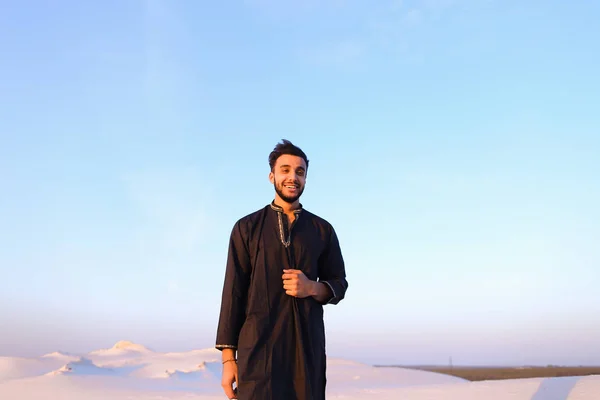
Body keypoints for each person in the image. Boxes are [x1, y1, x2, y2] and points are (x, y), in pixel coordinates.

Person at [215, 139, 349, 400]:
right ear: (272, 176)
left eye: (300, 172)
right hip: (258, 352)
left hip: (305, 350)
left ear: (306, 179)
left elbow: (339, 284)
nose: (293, 177)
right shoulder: (247, 228)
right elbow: (233, 293)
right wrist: (228, 360)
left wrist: (312, 287)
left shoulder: (322, 230)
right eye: (285, 169)